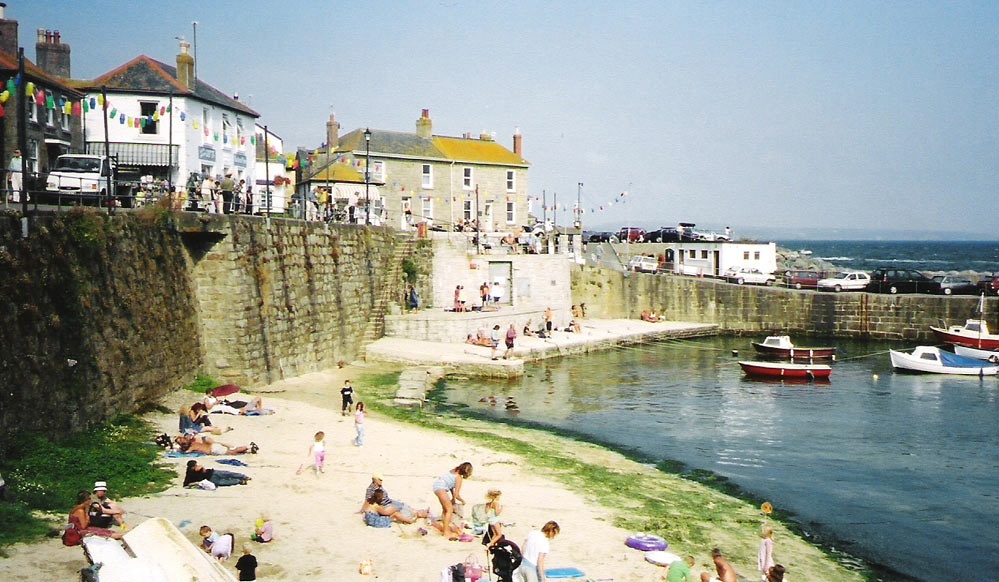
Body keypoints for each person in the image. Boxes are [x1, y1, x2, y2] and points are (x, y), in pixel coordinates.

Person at [433, 462, 472, 540]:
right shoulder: (459, 478)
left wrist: (453, 499)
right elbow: (456, 494)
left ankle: (445, 528)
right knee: (449, 510)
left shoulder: (453, 471)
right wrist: (462, 501)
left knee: (445, 509)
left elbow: (450, 486)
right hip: (441, 488)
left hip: (437, 486)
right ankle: (446, 532)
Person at [362, 488, 427, 525]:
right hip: (375, 522)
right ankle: (410, 521)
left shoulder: (371, 502)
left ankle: (418, 514)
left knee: (396, 514)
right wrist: (394, 509)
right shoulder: (376, 506)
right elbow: (385, 512)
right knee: (396, 514)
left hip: (370, 519)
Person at [183, 459, 250, 487]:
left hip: (212, 472)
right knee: (224, 482)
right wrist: (195, 483)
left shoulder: (199, 468)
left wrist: (202, 468)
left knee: (228, 473)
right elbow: (186, 484)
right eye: (195, 466)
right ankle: (240, 481)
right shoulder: (190, 474)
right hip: (210, 479)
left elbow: (205, 470)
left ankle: (243, 476)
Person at [175, 434, 257, 455]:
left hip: (213, 450)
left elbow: (187, 452)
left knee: (232, 452)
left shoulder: (192, 446)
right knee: (231, 452)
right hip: (213, 447)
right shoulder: (194, 443)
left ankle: (248, 447)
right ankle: (249, 450)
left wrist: (179, 450)